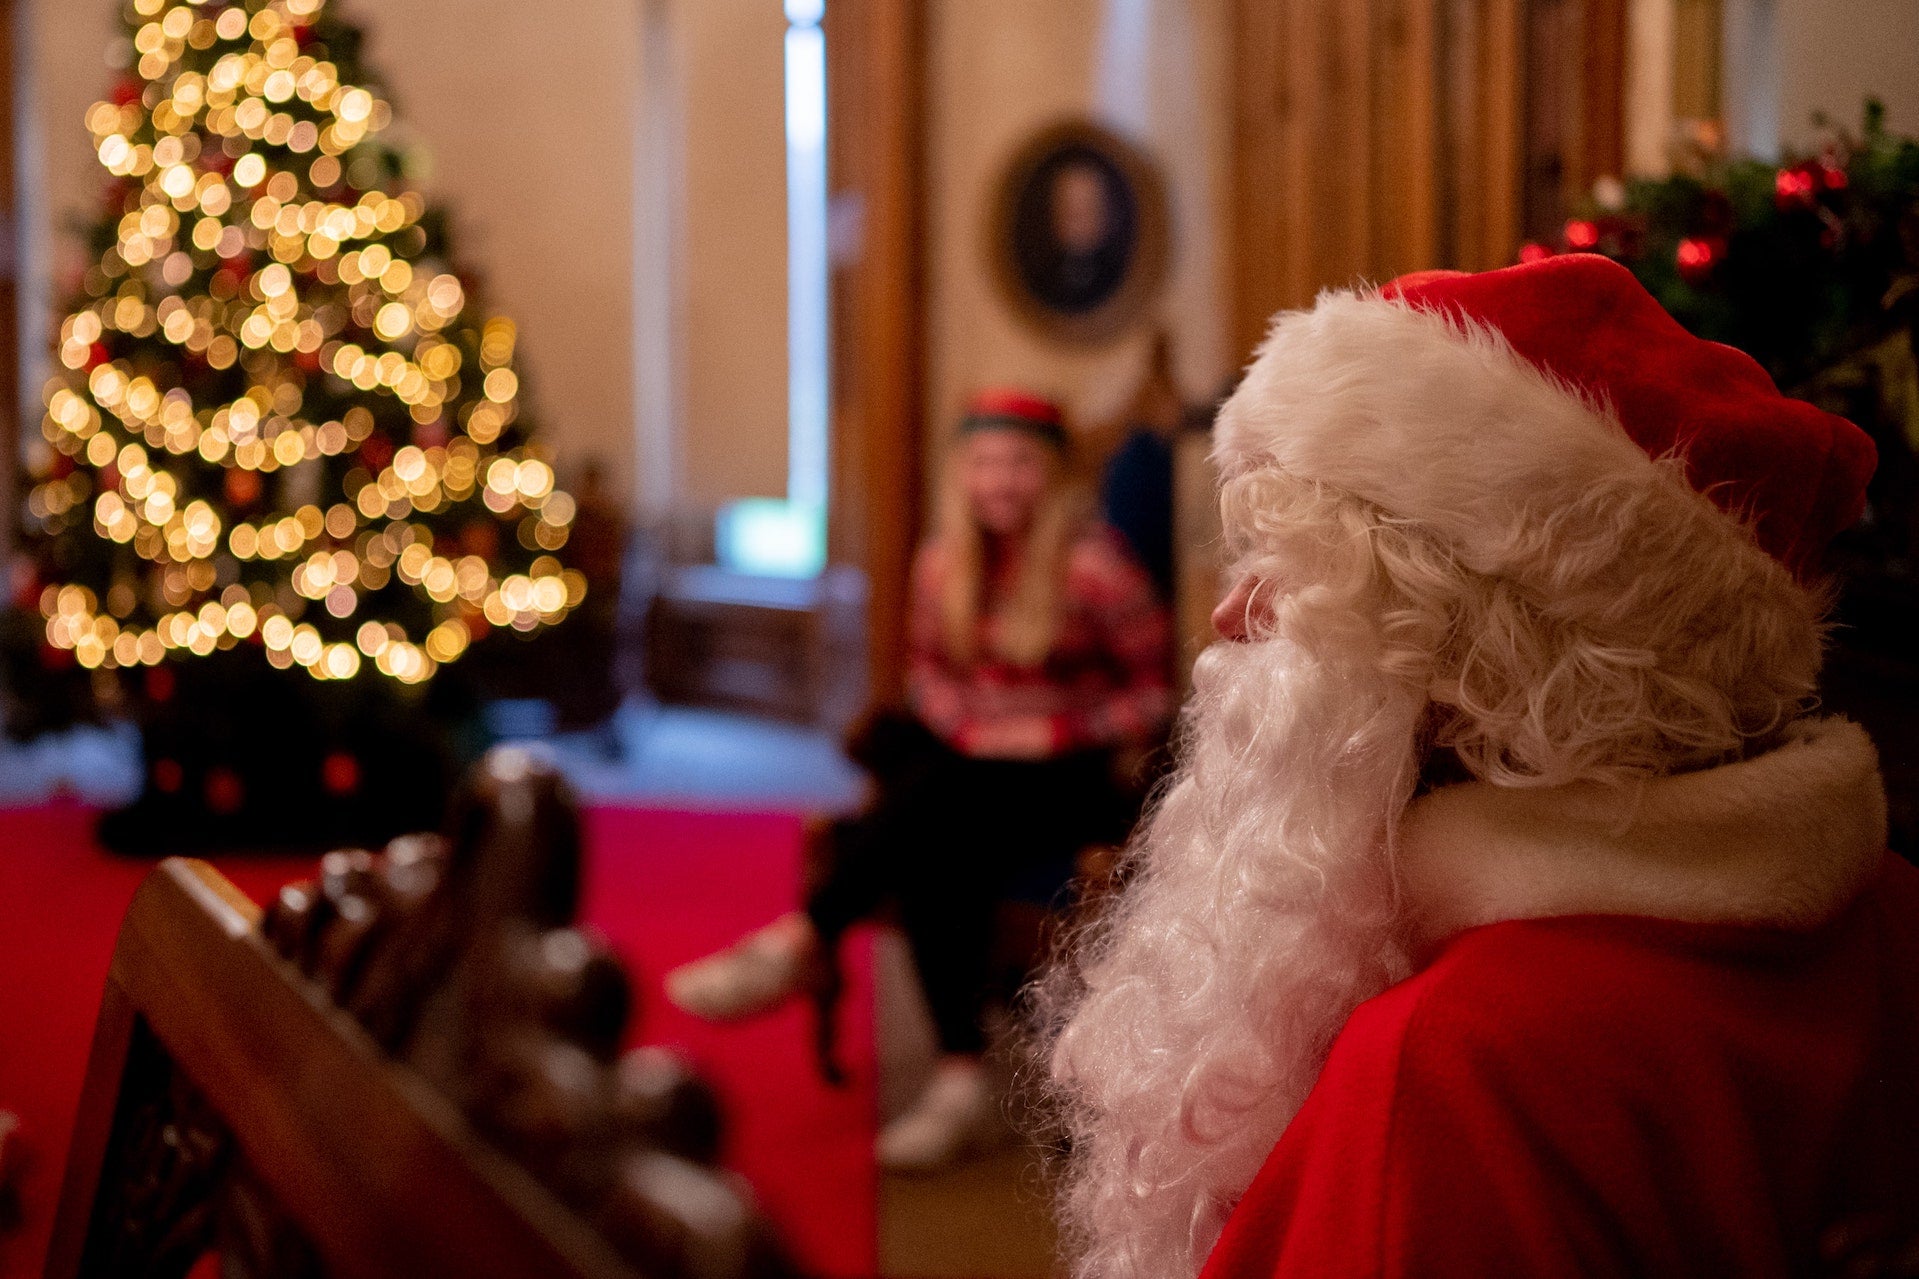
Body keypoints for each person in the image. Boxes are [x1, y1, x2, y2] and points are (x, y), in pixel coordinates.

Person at [1035, 254, 1918, 1279]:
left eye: (1299, 575)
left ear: (1488, 658)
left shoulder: (1453, 1063)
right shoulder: (1889, 904)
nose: (1232, 615)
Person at [669, 389, 1173, 1171]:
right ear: (960, 474)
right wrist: (964, 724)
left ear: (1051, 475)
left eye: (1019, 463)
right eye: (984, 463)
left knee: (938, 791)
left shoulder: (1095, 566)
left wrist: (1049, 730)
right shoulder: (942, 562)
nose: (1000, 481)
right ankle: (957, 1075)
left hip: (1065, 774)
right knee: (942, 836)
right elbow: (928, 676)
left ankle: (804, 937)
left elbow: (1153, 693)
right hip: (968, 773)